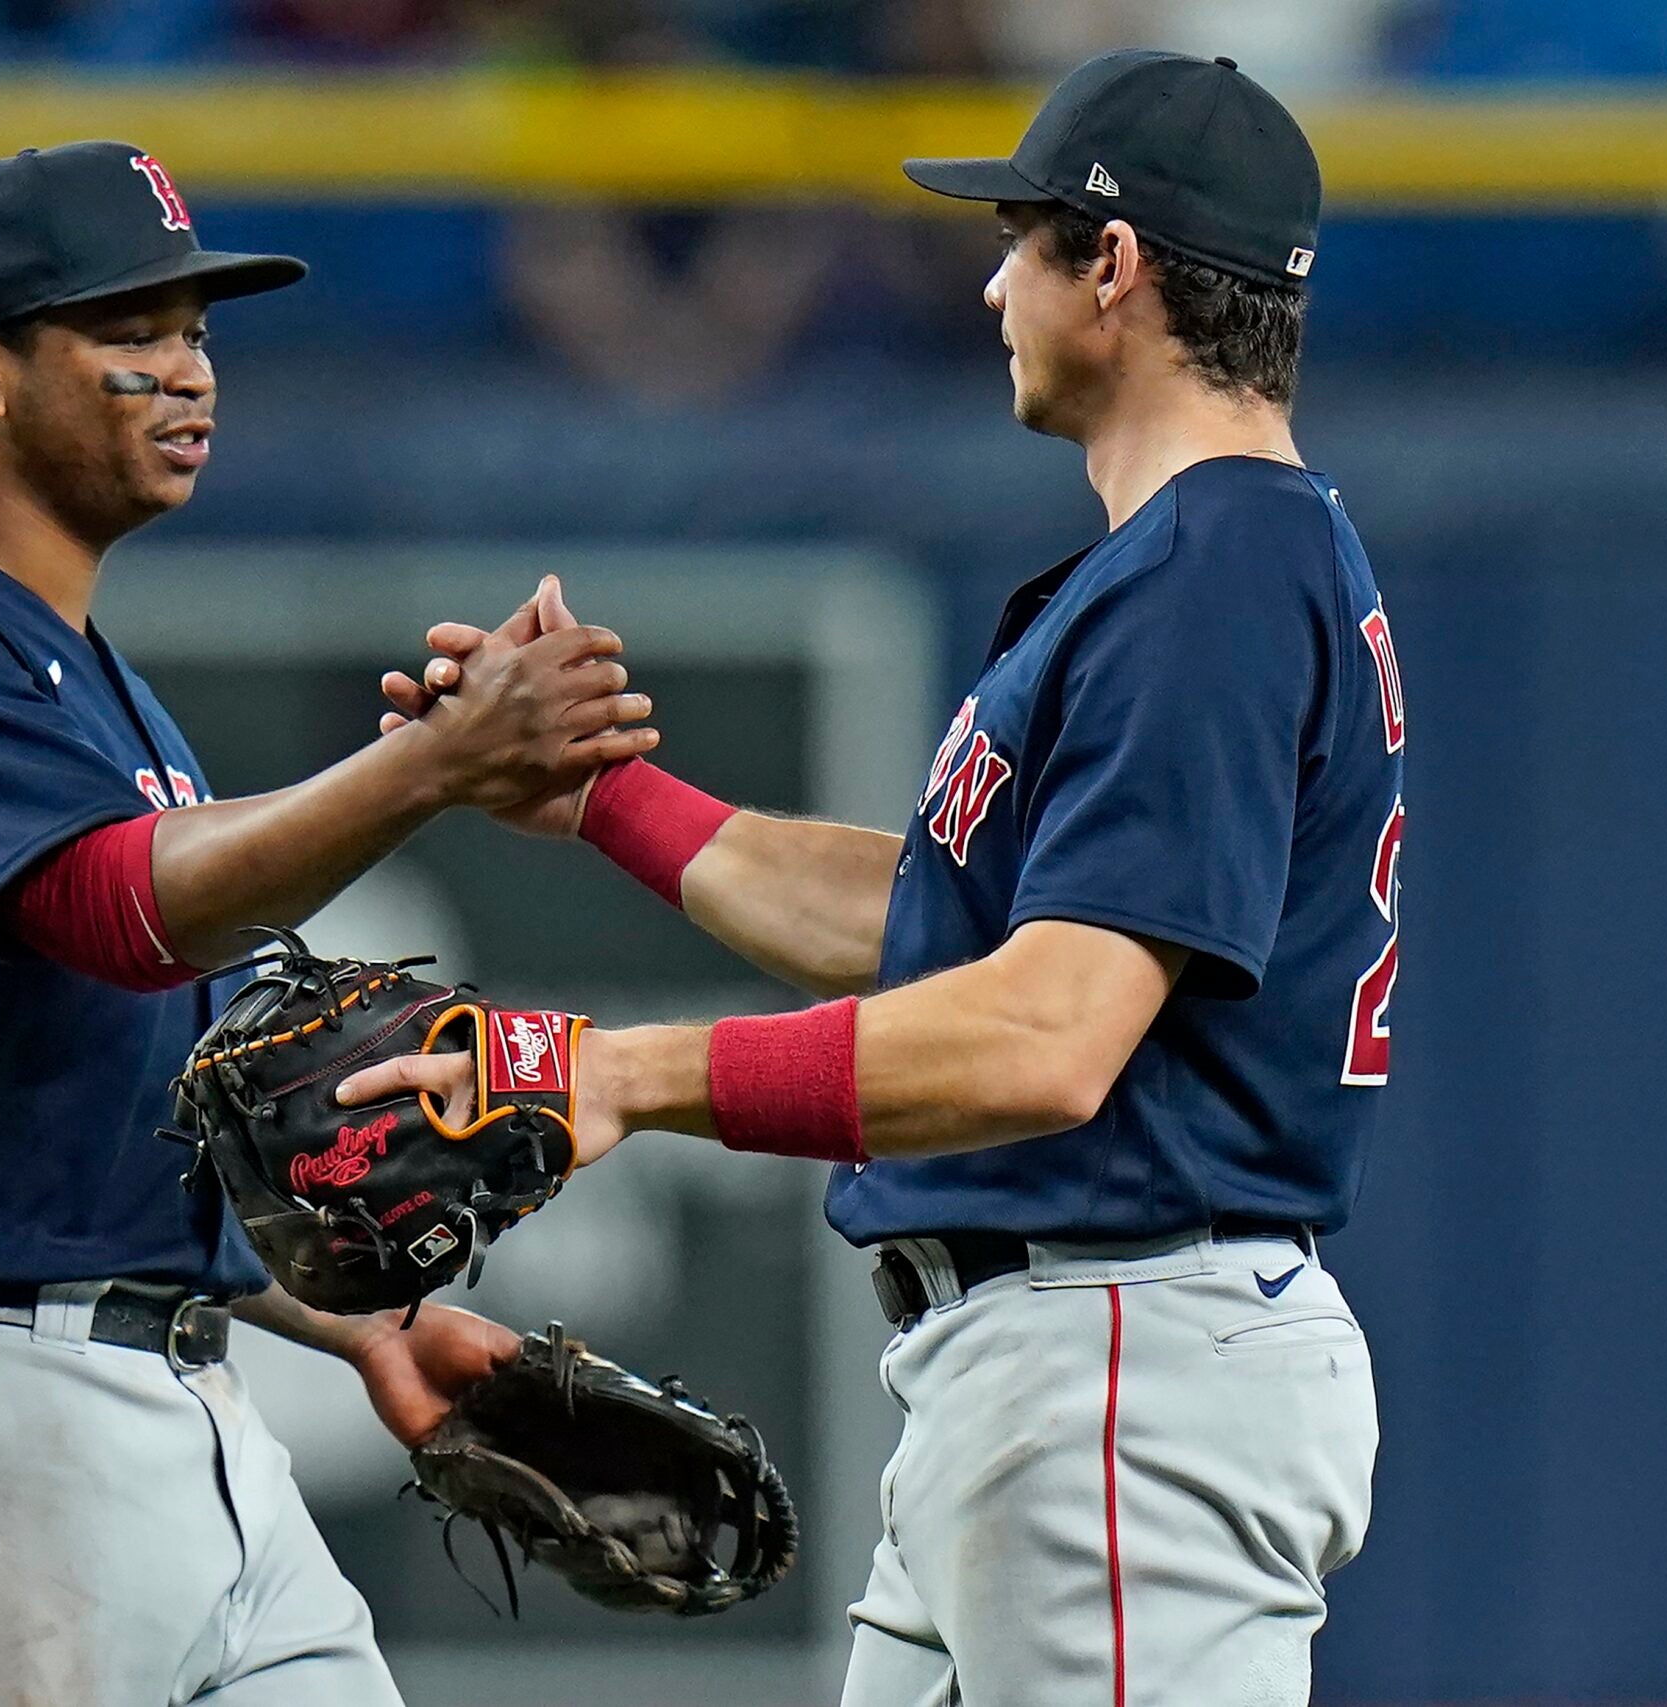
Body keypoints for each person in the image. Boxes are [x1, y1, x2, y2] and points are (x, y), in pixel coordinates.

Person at [357, 51, 1401, 1705]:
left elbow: (1042, 1039)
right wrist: (607, 806)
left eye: (1022, 240)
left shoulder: (1214, 568)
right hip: (1062, 1364)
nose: (991, 281)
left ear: (1113, 269)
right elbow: (934, 928)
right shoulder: (1201, 564)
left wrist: (626, 1073)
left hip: (1120, 1357)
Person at [0, 140, 656, 1707]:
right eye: (131, 332)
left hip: (167, 1393)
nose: (188, 373)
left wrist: (365, 1330)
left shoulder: (102, 687)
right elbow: (110, 913)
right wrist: (434, 763)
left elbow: (139, 1121)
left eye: (200, 333)